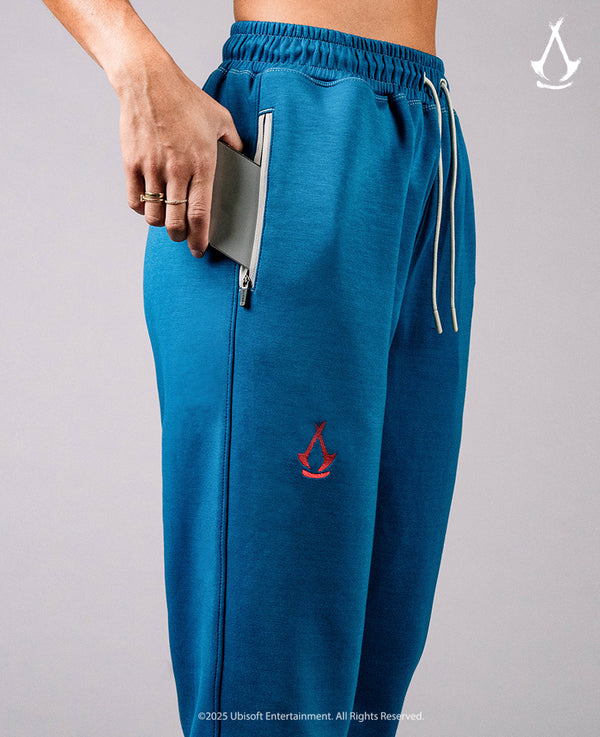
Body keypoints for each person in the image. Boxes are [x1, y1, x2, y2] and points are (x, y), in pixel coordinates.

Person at [40, 1, 476, 735]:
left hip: (425, 142)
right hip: (295, 134)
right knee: (273, 696)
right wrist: (139, 68)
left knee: (369, 689)